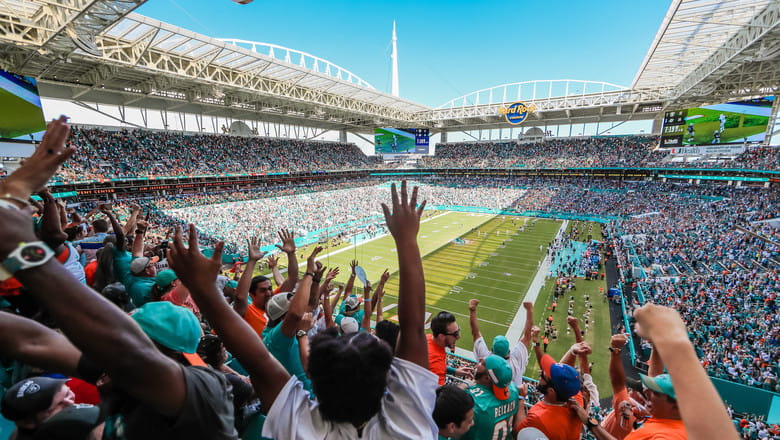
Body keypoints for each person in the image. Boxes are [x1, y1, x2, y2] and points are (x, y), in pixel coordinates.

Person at [0, 117, 239, 439]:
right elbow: (31, 340)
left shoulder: (203, 394)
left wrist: (15, 217)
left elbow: (44, 341)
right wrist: (16, 231)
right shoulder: (187, 386)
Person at [169, 181, 439, 438]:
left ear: (314, 379)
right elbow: (414, 328)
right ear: (387, 381)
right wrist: (407, 241)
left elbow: (258, 362)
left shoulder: (302, 428)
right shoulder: (410, 425)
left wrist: (202, 289)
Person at [233, 233, 298, 339]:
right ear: (252, 295)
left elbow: (293, 279)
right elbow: (240, 297)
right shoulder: (248, 311)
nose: (268, 293)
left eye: (269, 288)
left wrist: (291, 254)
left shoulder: (275, 300)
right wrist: (252, 261)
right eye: (262, 291)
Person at [516, 351, 583, 440]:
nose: (540, 372)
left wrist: (521, 398)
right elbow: (565, 375)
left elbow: (517, 431)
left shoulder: (539, 418)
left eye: (543, 376)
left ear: (551, 391)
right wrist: (572, 352)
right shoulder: (575, 399)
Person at [468, 299, 533, 386]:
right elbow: (527, 336)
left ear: (492, 350)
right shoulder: (516, 360)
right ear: (508, 351)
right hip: (511, 397)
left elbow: (475, 333)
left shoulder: (485, 359)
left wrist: (473, 311)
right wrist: (529, 310)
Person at [460, 355, 520, 440]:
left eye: (482, 363)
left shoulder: (472, 400)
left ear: (487, 378)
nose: (479, 360)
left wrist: (465, 384)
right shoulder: (513, 391)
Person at [429, 311, 474, 385]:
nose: (459, 336)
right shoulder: (435, 364)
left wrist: (454, 371)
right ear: (441, 336)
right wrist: (466, 384)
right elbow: (440, 395)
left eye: (458, 330)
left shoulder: (429, 338)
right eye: (455, 334)